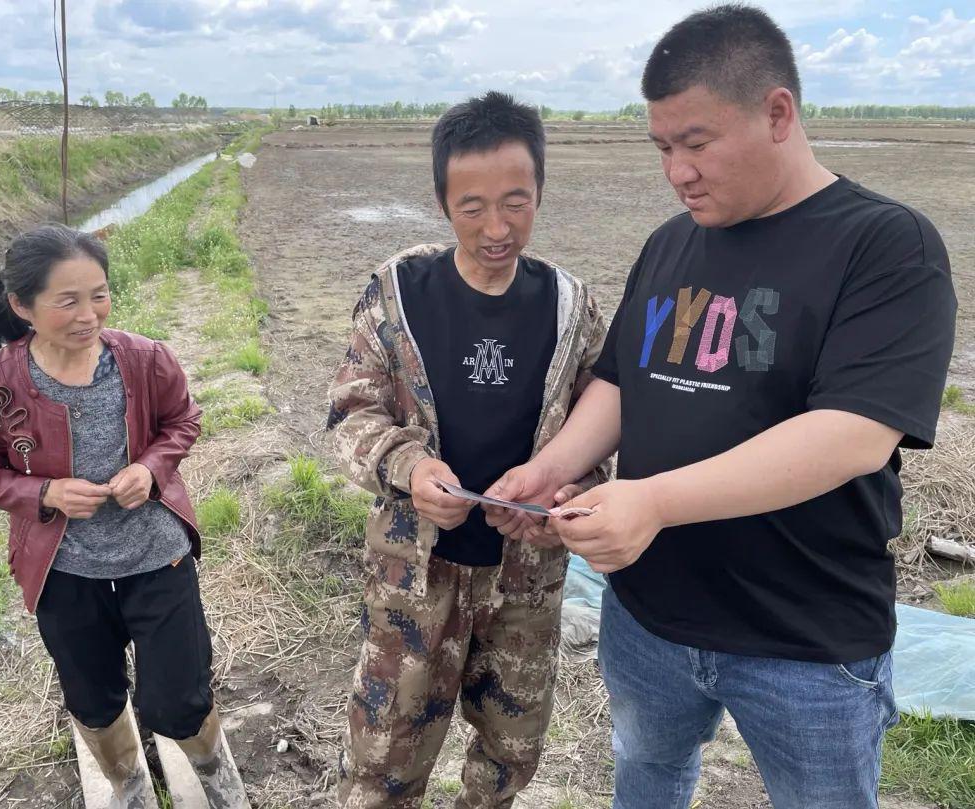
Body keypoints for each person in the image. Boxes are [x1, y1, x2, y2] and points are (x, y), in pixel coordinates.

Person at [485, 6, 957, 808]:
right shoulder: (672, 242)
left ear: (777, 114)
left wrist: (655, 501)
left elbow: (852, 436)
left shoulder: (885, 244)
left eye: (696, 143)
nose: (678, 171)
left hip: (804, 637)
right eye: (663, 148)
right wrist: (549, 468)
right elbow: (622, 381)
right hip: (649, 613)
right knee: (649, 772)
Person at [327, 91, 608, 807]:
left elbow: (596, 437)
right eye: (472, 206)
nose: (496, 227)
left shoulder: (571, 307)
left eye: (516, 202)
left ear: (540, 191)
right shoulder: (397, 295)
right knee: (383, 759)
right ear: (442, 200)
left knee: (507, 758)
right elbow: (351, 414)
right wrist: (409, 467)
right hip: (414, 578)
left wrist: (567, 498)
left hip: (526, 583)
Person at [0, 224, 248, 809]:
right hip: (65, 567)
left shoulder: (145, 360)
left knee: (180, 697)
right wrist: (46, 492)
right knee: (92, 697)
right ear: (21, 305)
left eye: (100, 294)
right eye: (68, 300)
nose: (90, 315)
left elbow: (183, 421)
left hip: (156, 552)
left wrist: (154, 468)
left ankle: (212, 769)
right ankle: (127, 782)